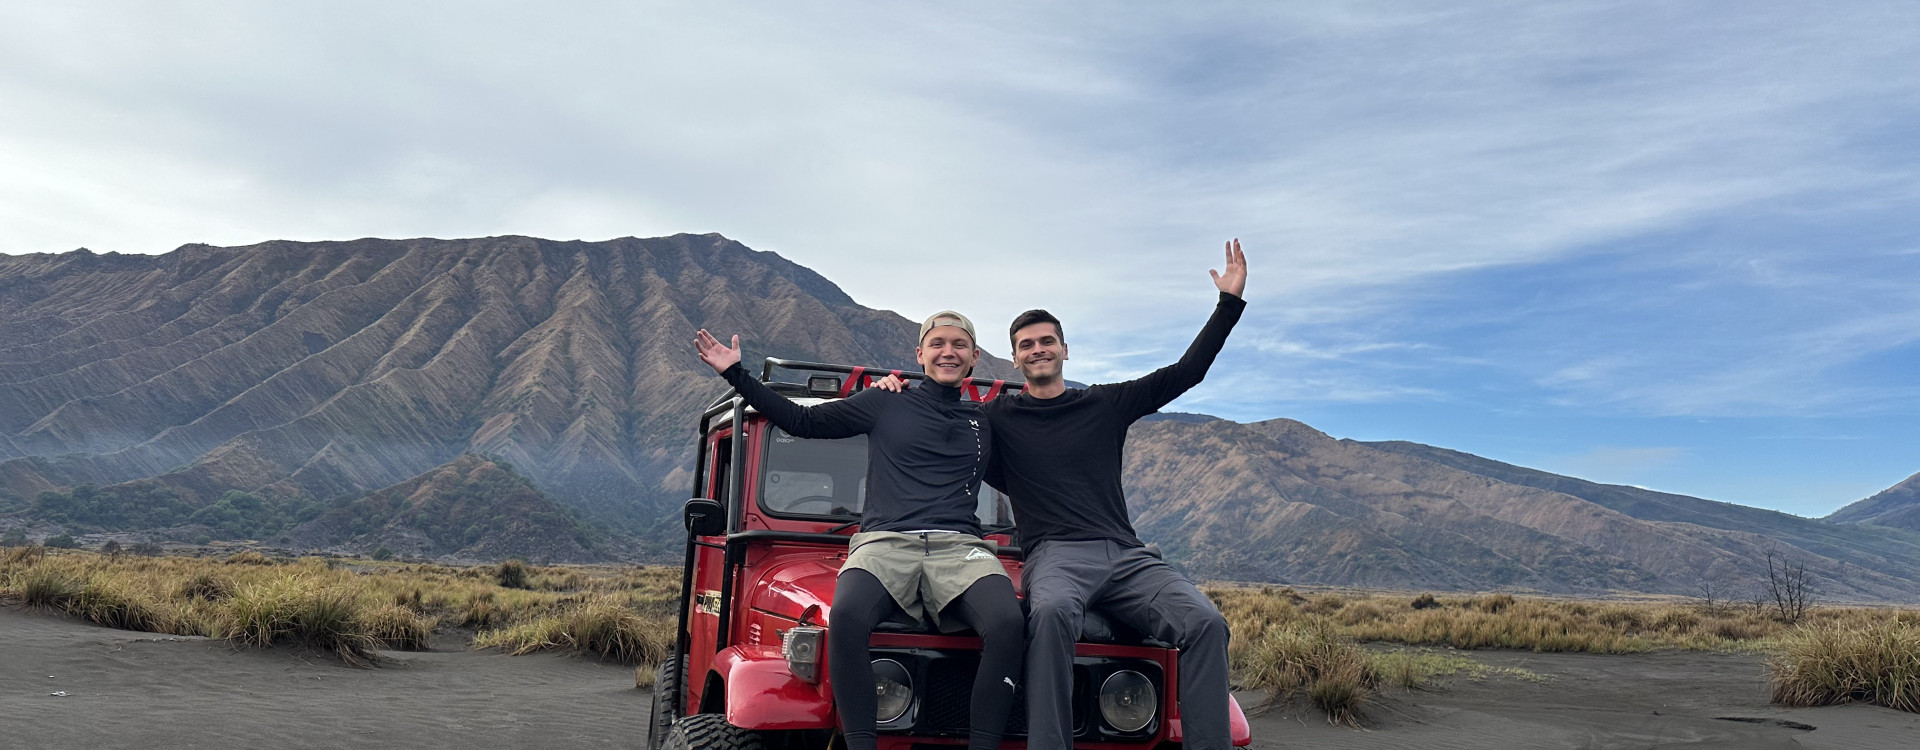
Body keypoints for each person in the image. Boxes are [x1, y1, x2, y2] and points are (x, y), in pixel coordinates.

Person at [692, 312, 1024, 750]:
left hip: (959, 545)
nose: (949, 352)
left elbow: (1034, 471)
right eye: (938, 343)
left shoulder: (984, 421)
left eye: (959, 345)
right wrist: (736, 373)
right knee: (845, 615)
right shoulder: (885, 402)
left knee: (1007, 621)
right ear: (920, 354)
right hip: (885, 541)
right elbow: (805, 422)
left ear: (975, 356)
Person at [995, 240, 1250, 748]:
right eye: (1026, 344)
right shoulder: (998, 417)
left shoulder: (1105, 404)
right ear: (1016, 358)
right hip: (1056, 554)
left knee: (1205, 622)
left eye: (1047, 341)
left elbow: (1185, 373)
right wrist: (892, 391)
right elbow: (937, 428)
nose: (1038, 349)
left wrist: (1228, 304)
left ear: (1065, 349)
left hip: (1126, 554)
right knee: (1050, 615)